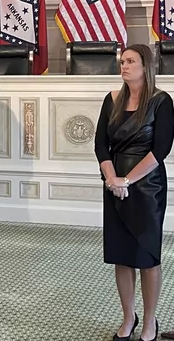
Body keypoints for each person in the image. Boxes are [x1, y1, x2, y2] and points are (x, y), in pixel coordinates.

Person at [94, 44, 174, 341]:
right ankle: (129, 317)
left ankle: (150, 321)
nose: (123, 66)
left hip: (147, 187)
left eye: (130, 61)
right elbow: (101, 145)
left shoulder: (161, 101)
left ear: (146, 66)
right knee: (122, 256)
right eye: (122, 61)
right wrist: (113, 178)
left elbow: (160, 150)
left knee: (147, 255)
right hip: (114, 185)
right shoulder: (112, 99)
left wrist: (127, 180)